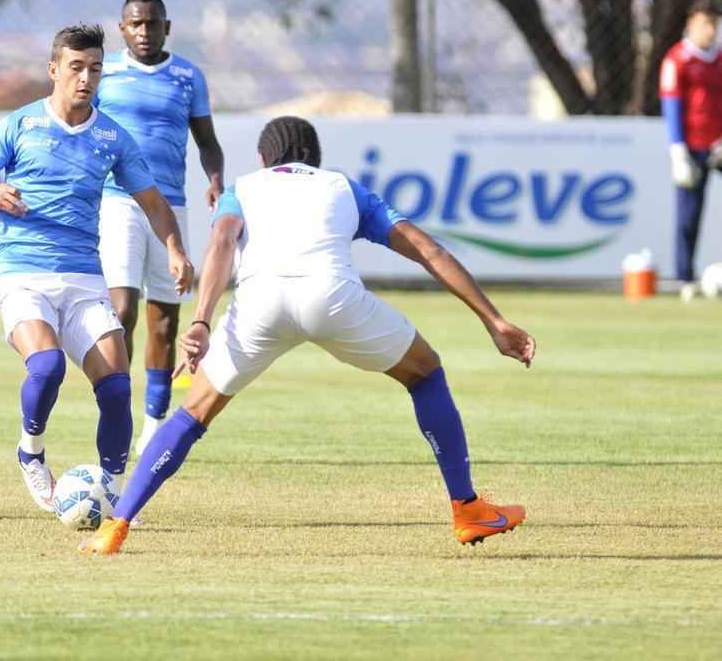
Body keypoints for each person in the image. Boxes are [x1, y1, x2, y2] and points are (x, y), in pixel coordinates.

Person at [80, 116, 536, 555]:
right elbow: (427, 249)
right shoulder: (341, 186)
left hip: (260, 306)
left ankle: (117, 526)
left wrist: (201, 320)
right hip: (332, 298)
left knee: (192, 415)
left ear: (263, 158)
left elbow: (221, 242)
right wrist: (493, 321)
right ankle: (467, 508)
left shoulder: (245, 187)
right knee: (425, 373)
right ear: (315, 158)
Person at [0, 23, 194, 512]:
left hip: (84, 279)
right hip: (24, 275)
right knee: (47, 365)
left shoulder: (111, 137)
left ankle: (112, 493)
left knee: (117, 386)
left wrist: (174, 248)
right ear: (54, 70)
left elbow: (154, 202)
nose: (86, 78)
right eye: (77, 68)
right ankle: (31, 452)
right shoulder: (19, 125)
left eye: (96, 69)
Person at [95, 0, 225, 455]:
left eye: (153, 23)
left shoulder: (188, 77)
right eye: (136, 23)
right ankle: (118, 414)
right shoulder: (104, 71)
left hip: (171, 208)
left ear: (167, 27)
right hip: (118, 201)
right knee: (122, 311)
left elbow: (207, 140)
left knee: (165, 324)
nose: (145, 31)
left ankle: (153, 426)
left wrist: (215, 179)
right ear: (122, 28)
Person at [660, 0, 722, 300]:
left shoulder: (721, 58)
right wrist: (677, 151)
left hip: (719, 146)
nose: (710, 30)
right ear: (691, 24)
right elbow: (671, 106)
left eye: (714, 23)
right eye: (704, 24)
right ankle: (685, 278)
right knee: (688, 214)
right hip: (691, 148)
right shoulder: (677, 59)